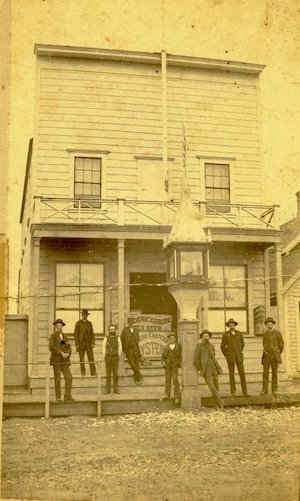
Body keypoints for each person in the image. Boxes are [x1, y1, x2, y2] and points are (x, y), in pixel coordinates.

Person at [194, 329, 224, 409]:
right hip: (206, 369)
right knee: (211, 386)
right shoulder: (199, 346)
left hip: (214, 368)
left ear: (209, 337)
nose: (205, 337)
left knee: (216, 386)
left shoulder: (212, 346)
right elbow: (196, 359)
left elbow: (214, 357)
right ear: (201, 338)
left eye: (207, 336)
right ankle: (220, 401)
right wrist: (199, 368)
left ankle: (216, 405)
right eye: (204, 336)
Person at [221, 318, 249, 396]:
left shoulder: (239, 334)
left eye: (233, 325)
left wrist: (239, 352)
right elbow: (222, 346)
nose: (232, 326)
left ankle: (245, 391)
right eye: (230, 325)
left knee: (242, 374)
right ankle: (233, 392)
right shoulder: (226, 335)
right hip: (230, 357)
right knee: (231, 374)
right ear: (228, 326)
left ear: (235, 325)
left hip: (239, 357)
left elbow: (242, 344)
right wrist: (227, 355)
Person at [49, 318, 74, 402]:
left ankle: (67, 396)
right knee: (58, 379)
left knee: (69, 377)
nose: (60, 327)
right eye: (58, 326)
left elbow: (67, 346)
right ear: (55, 327)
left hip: (65, 361)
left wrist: (67, 354)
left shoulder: (64, 336)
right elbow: (51, 347)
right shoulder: (53, 336)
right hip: (57, 361)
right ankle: (58, 397)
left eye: (61, 326)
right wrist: (61, 353)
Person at [260, 317, 284, 396]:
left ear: (273, 324)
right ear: (266, 325)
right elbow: (264, 344)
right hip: (266, 356)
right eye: (268, 324)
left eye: (271, 324)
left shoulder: (277, 333)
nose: (269, 325)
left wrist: (277, 353)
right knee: (265, 373)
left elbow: (281, 345)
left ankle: (274, 390)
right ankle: (264, 390)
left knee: (274, 373)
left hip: (274, 356)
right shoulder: (265, 334)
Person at [74, 309, 96, 376]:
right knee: (81, 358)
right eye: (83, 315)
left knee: (91, 357)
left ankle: (93, 372)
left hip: (88, 343)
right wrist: (77, 344)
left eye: (85, 315)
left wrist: (93, 342)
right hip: (81, 343)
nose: (84, 316)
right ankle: (83, 372)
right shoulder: (78, 323)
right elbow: (75, 334)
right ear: (82, 315)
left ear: (87, 315)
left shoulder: (89, 323)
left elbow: (92, 333)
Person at [121, 317, 143, 384]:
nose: (131, 324)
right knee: (132, 364)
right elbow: (122, 340)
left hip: (136, 348)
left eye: (132, 323)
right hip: (129, 349)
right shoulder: (125, 330)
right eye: (129, 323)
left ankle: (137, 379)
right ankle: (140, 376)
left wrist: (140, 350)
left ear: (133, 323)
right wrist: (124, 349)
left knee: (137, 364)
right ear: (128, 323)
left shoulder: (136, 330)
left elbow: (138, 340)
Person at [161, 332, 181, 403]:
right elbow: (163, 357)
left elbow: (181, 356)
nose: (172, 339)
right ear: (169, 339)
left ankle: (176, 396)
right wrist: (163, 362)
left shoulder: (178, 346)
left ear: (175, 339)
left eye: (173, 338)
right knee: (167, 380)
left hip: (175, 365)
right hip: (167, 365)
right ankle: (167, 394)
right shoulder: (166, 347)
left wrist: (178, 362)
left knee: (175, 380)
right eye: (171, 338)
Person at [102, 324, 122, 394]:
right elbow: (103, 347)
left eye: (113, 329)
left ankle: (116, 388)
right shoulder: (106, 338)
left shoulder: (118, 338)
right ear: (109, 330)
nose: (112, 330)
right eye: (111, 329)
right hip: (108, 357)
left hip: (115, 357)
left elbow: (120, 347)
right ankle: (107, 389)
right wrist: (105, 355)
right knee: (108, 374)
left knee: (115, 373)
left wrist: (118, 354)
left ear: (115, 330)